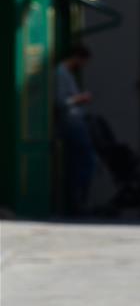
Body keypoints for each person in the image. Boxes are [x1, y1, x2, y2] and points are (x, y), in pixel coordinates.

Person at [56, 44, 95, 215]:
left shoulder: (66, 74)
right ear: (76, 57)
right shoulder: (60, 74)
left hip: (74, 121)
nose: (83, 65)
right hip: (71, 122)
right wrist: (80, 98)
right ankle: (77, 203)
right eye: (83, 61)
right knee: (84, 161)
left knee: (79, 162)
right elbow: (61, 102)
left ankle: (77, 201)